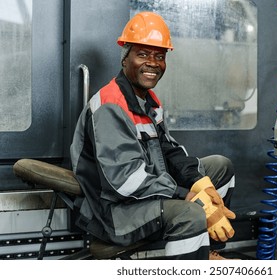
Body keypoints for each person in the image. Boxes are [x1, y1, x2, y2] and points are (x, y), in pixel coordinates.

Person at [70, 11, 236, 260]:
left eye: (159, 56)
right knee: (190, 212)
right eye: (143, 54)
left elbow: (170, 151)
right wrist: (187, 195)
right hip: (115, 211)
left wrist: (198, 182)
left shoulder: (148, 102)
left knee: (221, 168)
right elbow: (125, 181)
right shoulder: (109, 106)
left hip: (145, 195)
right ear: (125, 59)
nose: (153, 63)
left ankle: (207, 248)